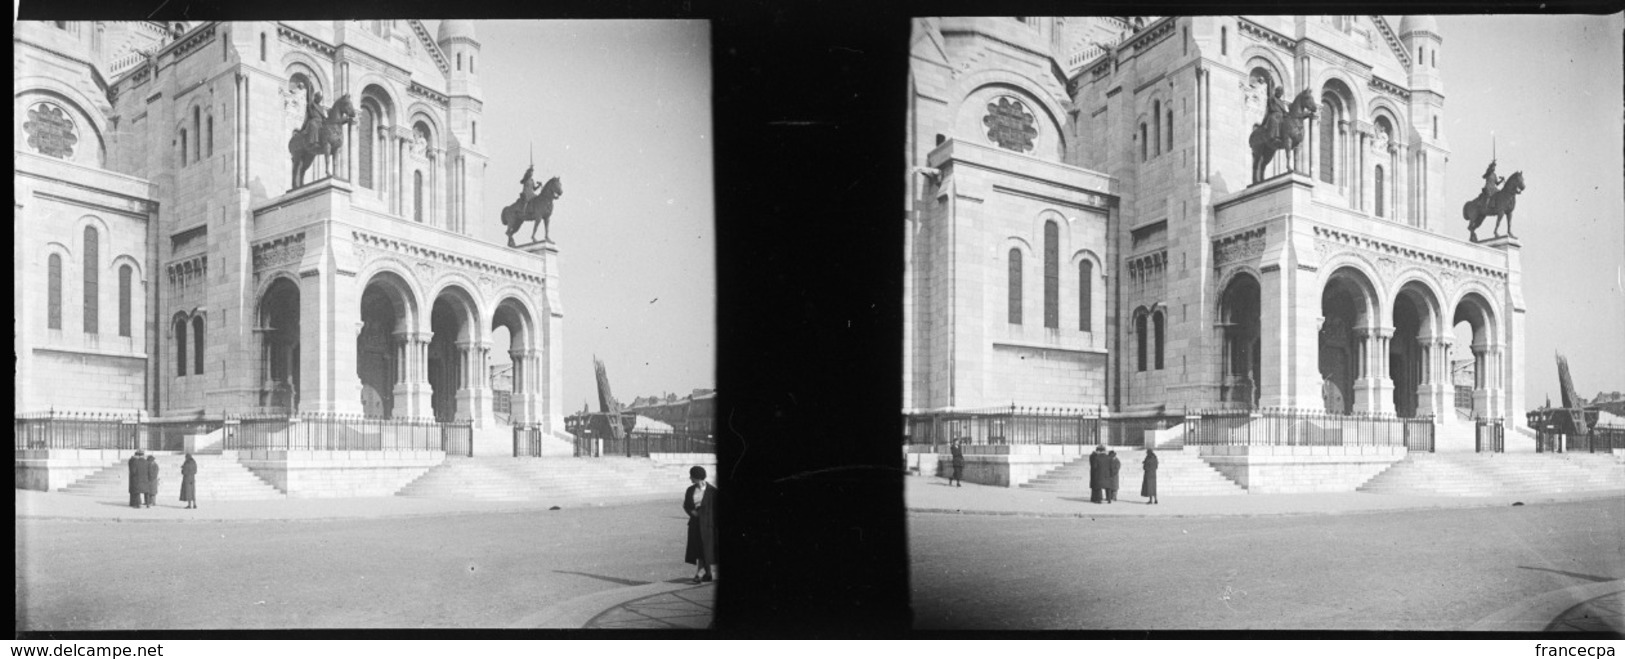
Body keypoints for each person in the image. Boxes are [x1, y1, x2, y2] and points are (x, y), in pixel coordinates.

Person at [682, 465, 717, 584]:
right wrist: (692, 512)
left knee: (705, 548)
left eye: (692, 476)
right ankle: (708, 574)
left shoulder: (712, 491)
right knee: (698, 548)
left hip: (708, 525)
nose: (690, 478)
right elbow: (686, 505)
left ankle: (700, 573)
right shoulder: (690, 490)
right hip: (695, 524)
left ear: (698, 477)